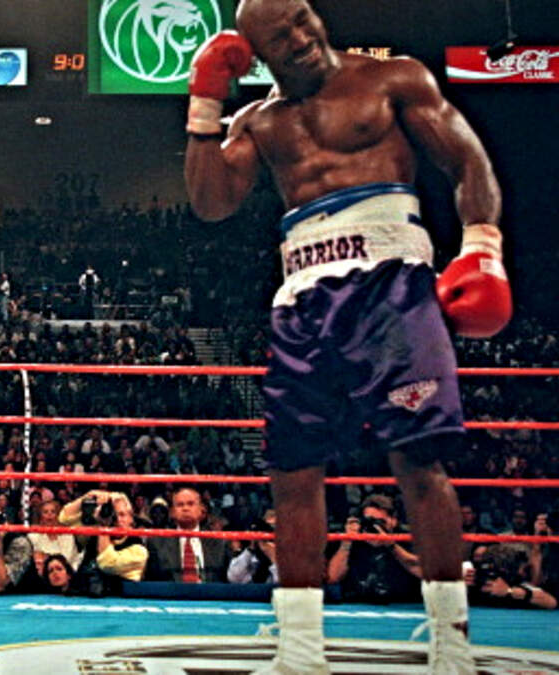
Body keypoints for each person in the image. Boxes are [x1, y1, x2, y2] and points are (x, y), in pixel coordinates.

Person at [184, 0, 510, 670]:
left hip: (392, 286)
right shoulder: (259, 121)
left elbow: (467, 160)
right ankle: (301, 650)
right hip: (303, 296)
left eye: (302, 19)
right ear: (259, 53)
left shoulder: (391, 79)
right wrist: (205, 102)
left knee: (418, 458)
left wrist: (482, 246)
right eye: (281, 36)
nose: (301, 37)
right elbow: (211, 202)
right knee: (293, 470)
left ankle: (452, 644)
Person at [142, 487, 227, 583]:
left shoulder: (218, 542)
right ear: (172, 512)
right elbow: (151, 581)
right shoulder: (157, 543)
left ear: (201, 510)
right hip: (171, 592)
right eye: (180, 505)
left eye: (190, 504)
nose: (185, 508)